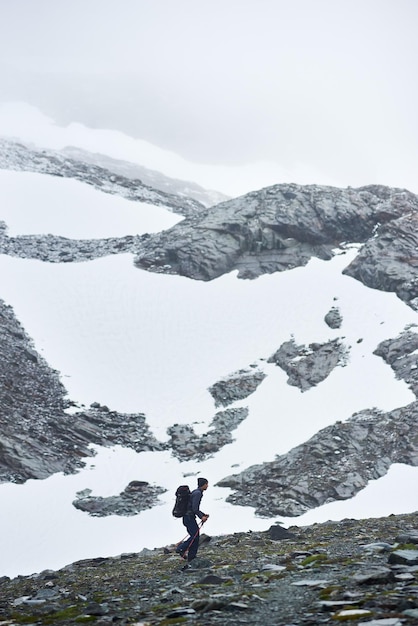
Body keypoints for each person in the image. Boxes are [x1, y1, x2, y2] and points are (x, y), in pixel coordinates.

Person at [176, 477, 209, 565]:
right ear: (204, 484)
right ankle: (181, 548)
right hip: (189, 518)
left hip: (187, 518)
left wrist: (203, 514)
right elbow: (195, 508)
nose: (207, 486)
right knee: (195, 536)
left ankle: (191, 557)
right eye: (206, 484)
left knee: (195, 536)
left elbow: (193, 508)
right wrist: (202, 517)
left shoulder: (196, 492)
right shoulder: (198, 494)